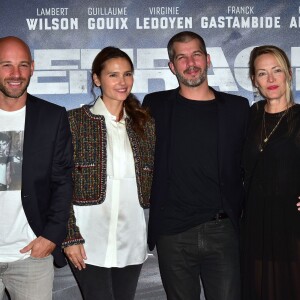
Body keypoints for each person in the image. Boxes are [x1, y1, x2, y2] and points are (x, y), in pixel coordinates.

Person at [142, 31, 249, 300]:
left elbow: (258, 161)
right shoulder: (155, 105)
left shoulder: (237, 108)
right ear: (172, 66)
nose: (191, 63)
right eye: (182, 57)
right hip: (173, 233)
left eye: (196, 54)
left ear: (208, 59)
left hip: (223, 232)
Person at [62, 46, 155, 300]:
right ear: (97, 79)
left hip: (131, 239)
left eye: (127, 74)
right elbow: (59, 183)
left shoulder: (145, 124)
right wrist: (69, 235)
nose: (122, 82)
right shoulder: (74, 122)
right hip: (88, 240)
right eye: (113, 75)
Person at [0, 36, 73, 300]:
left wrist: (51, 236)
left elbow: (63, 181)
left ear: (32, 67)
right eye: (6, 65)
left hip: (32, 256)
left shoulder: (52, 117)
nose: (15, 74)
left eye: (22, 65)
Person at [242, 45, 300, 300]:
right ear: (254, 80)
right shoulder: (251, 115)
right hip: (255, 222)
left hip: (292, 225)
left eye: (277, 70)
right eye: (263, 73)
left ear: (288, 73)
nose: (271, 79)